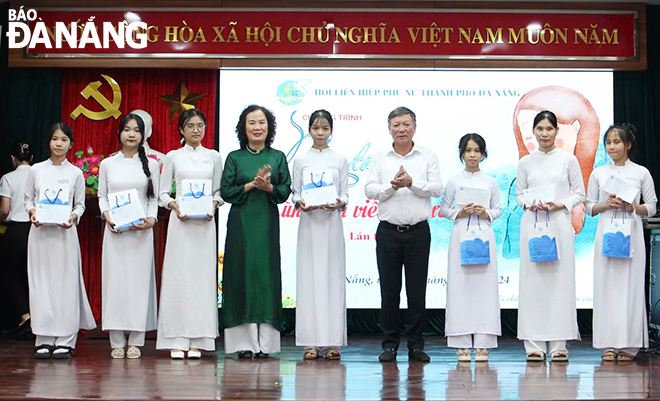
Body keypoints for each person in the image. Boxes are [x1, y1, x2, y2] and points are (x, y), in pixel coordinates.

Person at [364, 106, 443, 362]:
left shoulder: (427, 155)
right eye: (396, 125)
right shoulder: (379, 157)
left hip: (418, 232)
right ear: (389, 128)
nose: (401, 129)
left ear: (415, 127)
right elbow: (369, 190)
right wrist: (391, 186)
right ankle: (389, 345)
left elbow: (437, 188)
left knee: (416, 290)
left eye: (406, 124)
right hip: (388, 232)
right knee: (389, 290)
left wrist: (412, 183)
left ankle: (416, 345)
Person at [221, 104, 292, 359]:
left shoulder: (277, 156)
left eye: (261, 122)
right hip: (240, 225)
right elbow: (227, 191)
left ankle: (267, 344)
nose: (257, 127)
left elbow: (285, 191)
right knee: (240, 274)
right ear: (243, 128)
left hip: (266, 225)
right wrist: (252, 184)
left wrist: (270, 187)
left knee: (265, 276)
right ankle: (243, 343)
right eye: (251, 122)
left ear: (269, 127)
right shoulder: (234, 157)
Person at [516, 110, 585, 362]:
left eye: (549, 128)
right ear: (534, 132)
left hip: (559, 225)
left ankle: (559, 344)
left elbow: (579, 194)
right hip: (533, 225)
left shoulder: (568, 160)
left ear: (556, 131)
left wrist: (560, 204)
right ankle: (533, 344)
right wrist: (529, 202)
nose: (544, 133)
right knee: (533, 283)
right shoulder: (526, 162)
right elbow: (519, 195)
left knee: (560, 282)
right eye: (540, 129)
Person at [24, 122, 96, 359]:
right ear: (49, 142)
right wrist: (33, 214)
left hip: (65, 235)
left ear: (70, 144)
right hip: (41, 235)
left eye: (64, 139)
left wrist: (73, 218)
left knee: (65, 285)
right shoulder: (35, 170)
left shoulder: (75, 173)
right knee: (41, 284)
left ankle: (65, 339)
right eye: (55, 138)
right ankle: (43, 338)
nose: (59, 143)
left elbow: (80, 205)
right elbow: (28, 201)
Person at [586, 123, 657, 362]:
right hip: (607, 231)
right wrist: (606, 204)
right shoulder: (599, 173)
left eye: (617, 142)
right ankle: (607, 344)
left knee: (630, 286)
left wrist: (632, 207)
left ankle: (629, 345)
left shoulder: (640, 172)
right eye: (608, 143)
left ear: (628, 145)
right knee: (606, 286)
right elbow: (588, 207)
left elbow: (652, 207)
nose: (612, 147)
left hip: (631, 232)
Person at [157, 109, 223, 360]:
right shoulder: (172, 157)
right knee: (178, 277)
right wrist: (175, 206)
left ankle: (198, 339)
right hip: (181, 224)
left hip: (204, 226)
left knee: (201, 280)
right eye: (190, 126)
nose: (196, 130)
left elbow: (218, 192)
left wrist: (213, 206)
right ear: (182, 130)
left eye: (200, 126)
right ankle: (176, 338)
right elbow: (163, 194)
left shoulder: (214, 157)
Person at [98, 113, 160, 359]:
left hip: (141, 234)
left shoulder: (152, 165)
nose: (131, 134)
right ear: (119, 133)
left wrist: (151, 220)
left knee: (138, 285)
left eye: (136, 130)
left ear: (143, 135)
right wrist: (107, 216)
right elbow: (102, 196)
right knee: (115, 285)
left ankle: (135, 340)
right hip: (115, 233)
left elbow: (153, 198)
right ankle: (115, 341)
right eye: (127, 129)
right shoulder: (107, 164)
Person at [292, 109, 348, 360]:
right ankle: (310, 343)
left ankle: (333, 342)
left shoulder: (340, 159)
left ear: (331, 131)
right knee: (309, 278)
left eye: (325, 128)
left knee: (332, 278)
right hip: (309, 223)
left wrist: (339, 203)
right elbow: (295, 192)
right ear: (309, 130)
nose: (321, 132)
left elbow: (345, 193)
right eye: (316, 127)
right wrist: (300, 202)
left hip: (331, 223)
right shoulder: (300, 159)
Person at [440, 133, 501, 362]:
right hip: (461, 234)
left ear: (483, 154)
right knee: (460, 286)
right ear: (461, 153)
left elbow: (497, 209)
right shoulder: (455, 181)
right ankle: (460, 341)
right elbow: (444, 209)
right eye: (468, 151)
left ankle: (484, 342)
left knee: (484, 288)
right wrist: (459, 212)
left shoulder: (490, 181)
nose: (472, 155)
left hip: (484, 234)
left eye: (477, 151)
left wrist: (486, 213)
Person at [0, 140, 33, 334]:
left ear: (12, 159)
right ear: (31, 158)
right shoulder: (39, 174)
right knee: (34, 275)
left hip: (15, 231)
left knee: (12, 275)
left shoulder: (7, 178)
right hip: (36, 229)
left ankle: (25, 316)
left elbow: (4, 210)